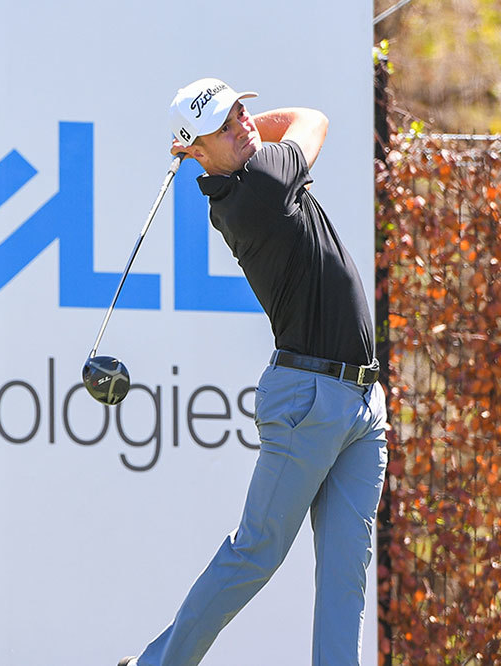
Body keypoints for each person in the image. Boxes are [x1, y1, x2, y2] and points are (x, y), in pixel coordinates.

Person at [118, 78, 387, 666]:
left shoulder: (247, 176)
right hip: (310, 399)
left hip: (363, 401)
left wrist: (224, 133)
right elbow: (312, 118)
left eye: (241, 111)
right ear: (196, 151)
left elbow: (274, 129)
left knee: (346, 573)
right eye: (223, 125)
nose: (242, 125)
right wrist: (245, 136)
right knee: (256, 551)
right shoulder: (259, 185)